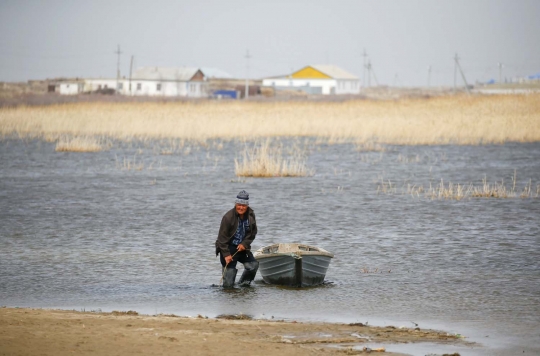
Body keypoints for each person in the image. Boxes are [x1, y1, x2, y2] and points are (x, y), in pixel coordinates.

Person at [215, 190, 259, 288]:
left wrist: (245, 243)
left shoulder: (251, 215)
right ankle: (230, 291)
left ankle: (243, 286)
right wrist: (226, 255)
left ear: (247, 206)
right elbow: (221, 239)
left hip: (242, 248)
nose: (241, 207)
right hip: (227, 248)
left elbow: (253, 233)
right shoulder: (228, 217)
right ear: (235, 204)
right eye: (239, 205)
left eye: (243, 205)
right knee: (228, 287)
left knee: (253, 266)